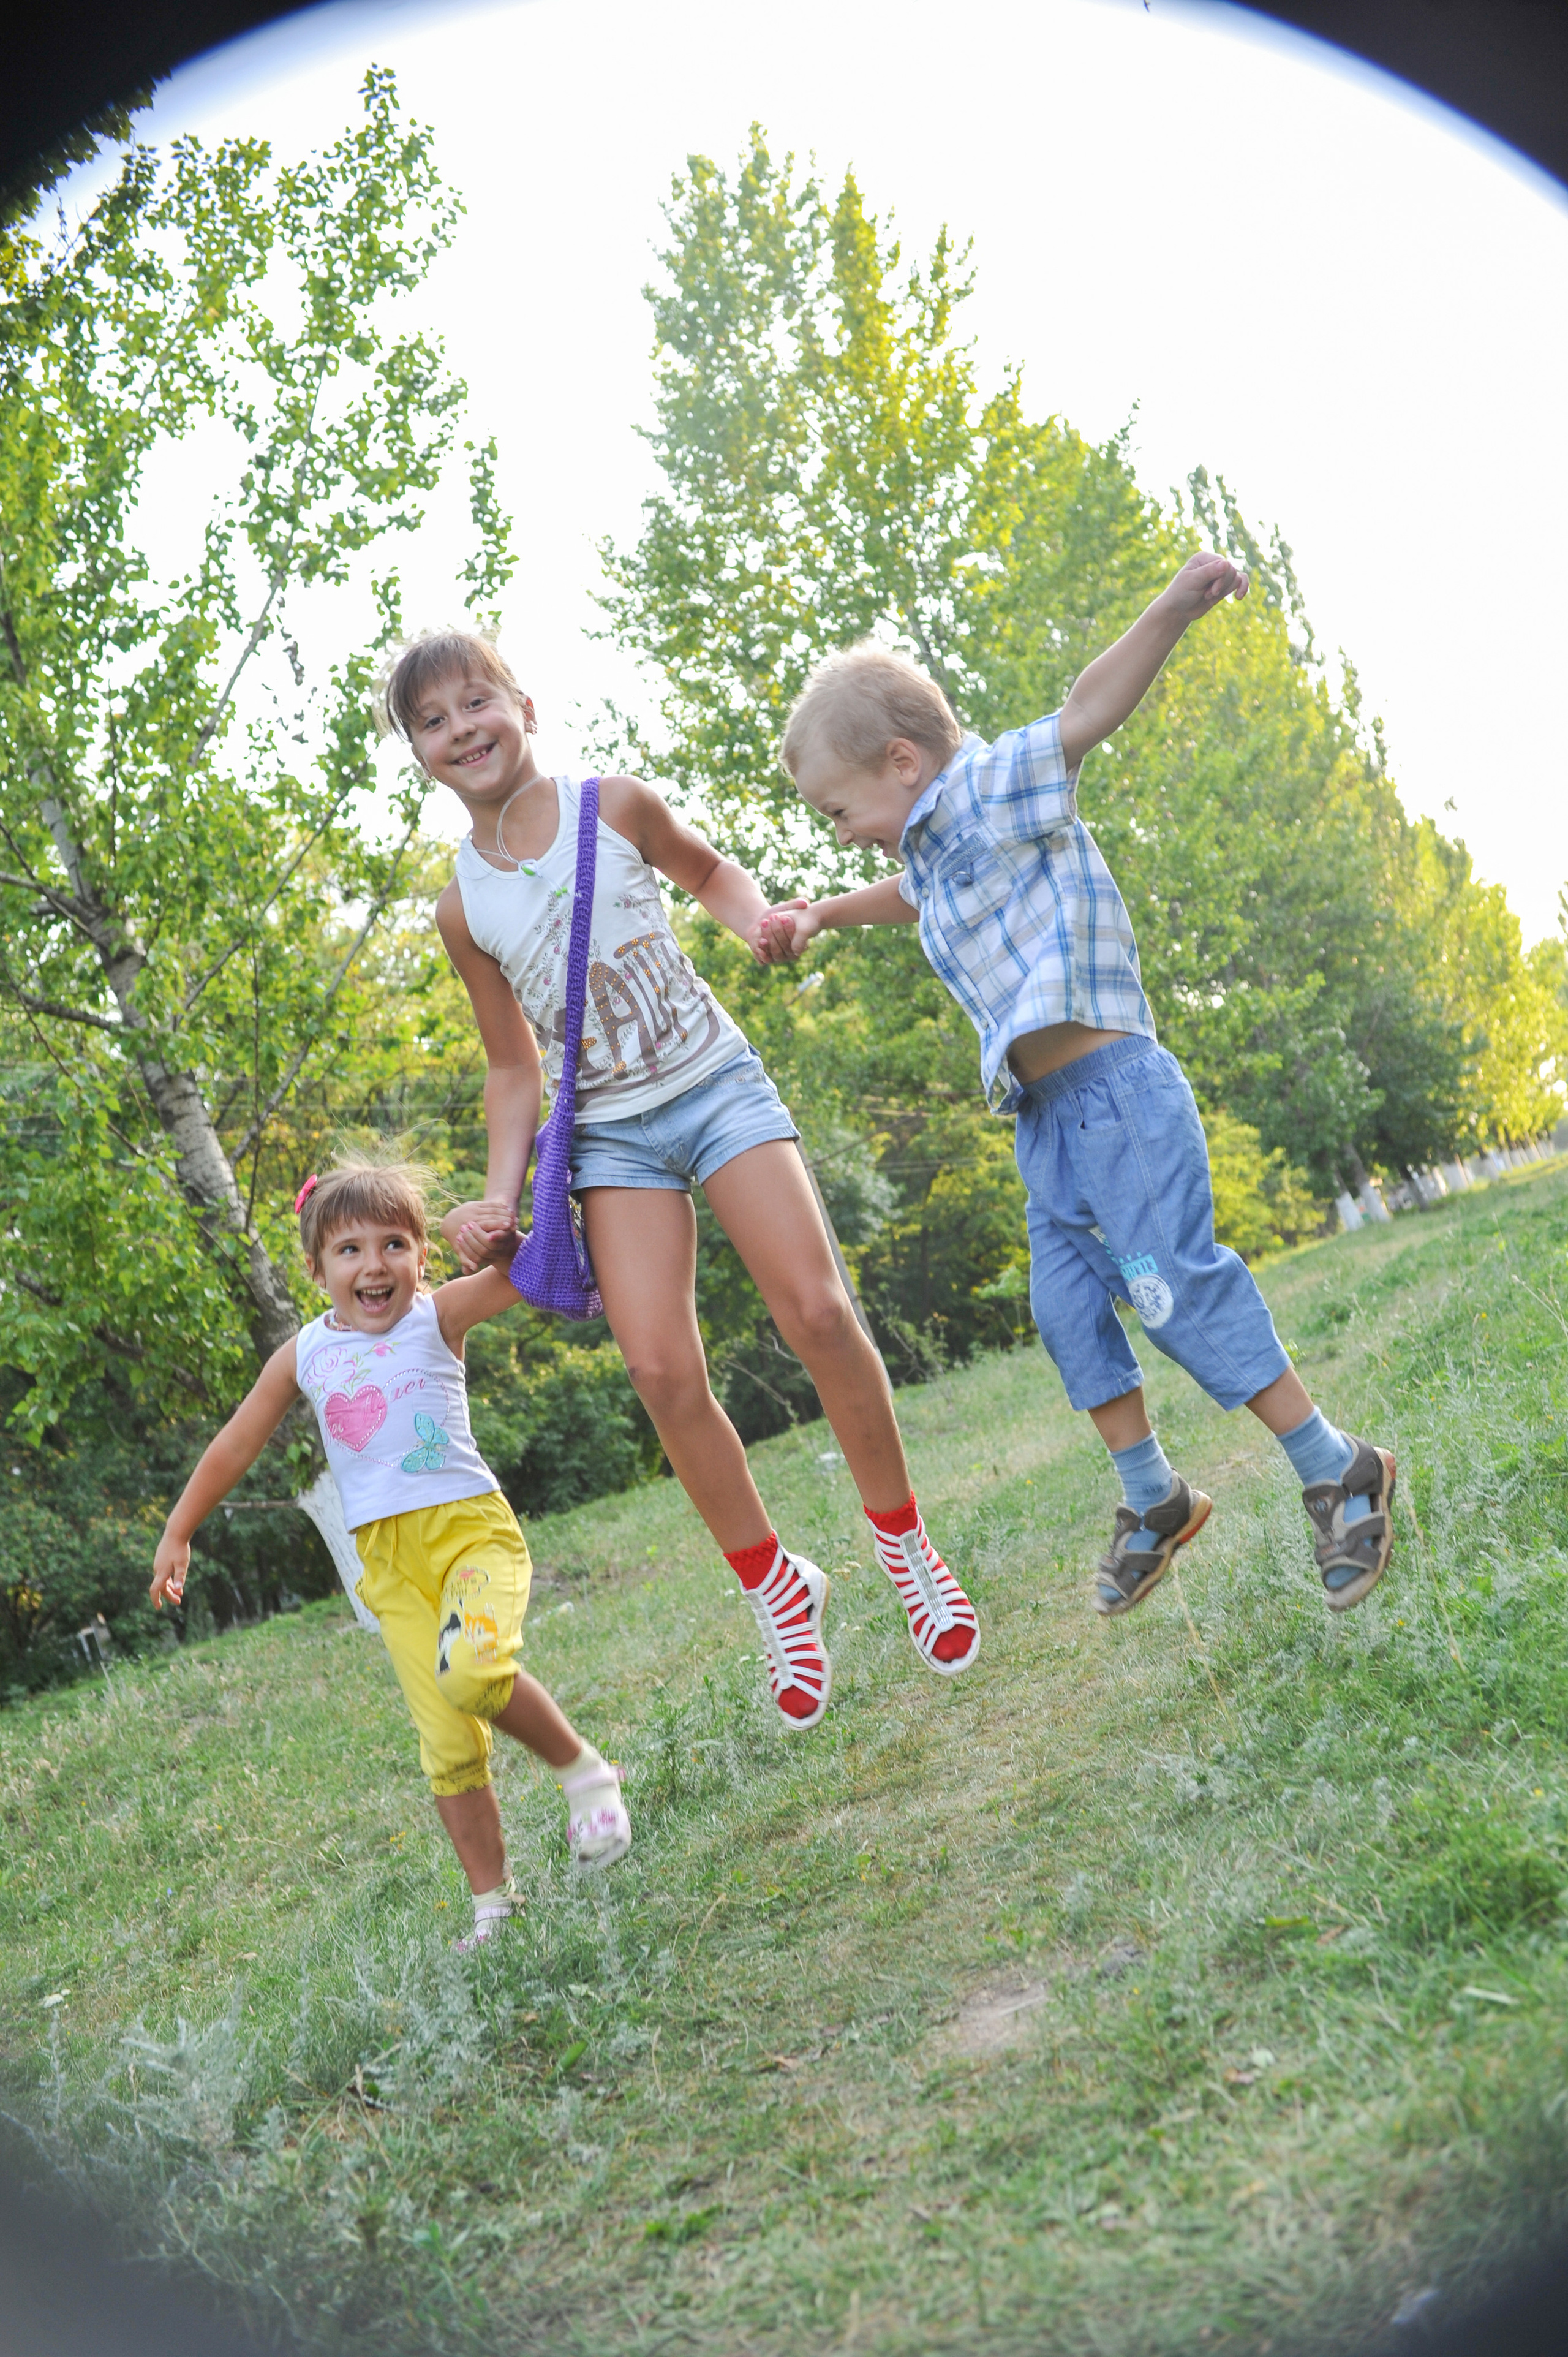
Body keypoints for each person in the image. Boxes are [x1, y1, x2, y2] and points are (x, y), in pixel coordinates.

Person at [755, 551, 1397, 1618]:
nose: (838, 829)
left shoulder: (991, 787)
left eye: (836, 809)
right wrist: (823, 910)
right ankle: (1155, 1497)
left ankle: (1340, 1467)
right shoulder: (930, 851)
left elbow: (1086, 712)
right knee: (1065, 1311)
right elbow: (911, 895)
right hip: (1046, 1121)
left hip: (1119, 1097)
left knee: (1173, 1292)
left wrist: (1174, 605)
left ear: (903, 763)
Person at [374, 629, 979, 1733]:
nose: (462, 729)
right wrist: (501, 1195)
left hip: (713, 1085)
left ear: (524, 706)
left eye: (477, 702)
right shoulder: (462, 906)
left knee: (818, 1312)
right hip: (610, 1139)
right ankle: (778, 1587)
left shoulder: (614, 804)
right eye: (433, 721)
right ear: (417, 752)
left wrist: (756, 923)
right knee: (658, 1369)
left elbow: (708, 873)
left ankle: (905, 1546)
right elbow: (512, 1066)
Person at [149, 1156, 631, 1951]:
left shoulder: (438, 1316)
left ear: (421, 1258)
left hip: (470, 1535)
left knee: (473, 1672)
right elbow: (237, 1442)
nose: (374, 1265)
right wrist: (179, 1528)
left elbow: (544, 1271)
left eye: (394, 1245)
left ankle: (586, 1774)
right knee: (447, 1744)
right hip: (391, 1568)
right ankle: (494, 1909)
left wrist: (494, 1235)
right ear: (317, 1271)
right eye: (350, 1250)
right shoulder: (304, 1354)